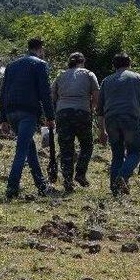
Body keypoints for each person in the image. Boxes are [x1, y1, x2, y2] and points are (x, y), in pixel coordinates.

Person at [0, 38, 56, 200]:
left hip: (11, 112)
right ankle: (11, 188)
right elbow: (45, 92)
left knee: (29, 147)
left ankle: (41, 185)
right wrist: (50, 116)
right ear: (41, 49)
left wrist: (3, 118)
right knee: (21, 150)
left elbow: (4, 92)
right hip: (28, 112)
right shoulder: (39, 64)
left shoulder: (12, 65)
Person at [97, 53, 140, 196]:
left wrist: (101, 130)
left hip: (111, 120)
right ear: (130, 63)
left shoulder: (106, 81)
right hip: (130, 118)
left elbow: (100, 108)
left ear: (114, 66)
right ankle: (122, 176)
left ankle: (115, 189)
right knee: (135, 151)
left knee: (117, 154)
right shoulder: (137, 78)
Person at [51, 52, 100, 193]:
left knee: (66, 147)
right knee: (87, 144)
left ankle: (67, 180)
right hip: (82, 112)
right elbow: (96, 95)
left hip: (63, 113)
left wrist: (58, 109)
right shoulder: (89, 74)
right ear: (82, 62)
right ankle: (80, 173)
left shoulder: (60, 75)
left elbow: (53, 95)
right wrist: (92, 109)